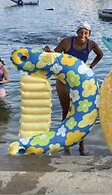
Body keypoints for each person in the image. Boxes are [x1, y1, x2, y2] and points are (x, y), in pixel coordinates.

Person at [44, 22, 103, 155]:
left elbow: (100, 55)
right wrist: (49, 52)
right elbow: (55, 56)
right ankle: (66, 146)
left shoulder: (91, 44)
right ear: (77, 32)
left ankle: (82, 147)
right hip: (63, 81)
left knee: (81, 114)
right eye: (81, 32)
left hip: (80, 81)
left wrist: (91, 66)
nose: (83, 35)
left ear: (89, 34)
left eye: (86, 33)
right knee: (66, 112)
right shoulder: (67, 42)